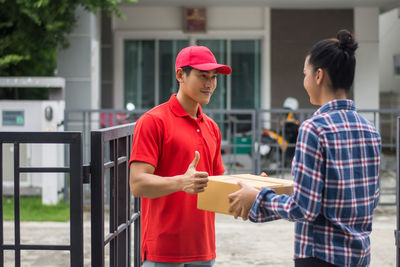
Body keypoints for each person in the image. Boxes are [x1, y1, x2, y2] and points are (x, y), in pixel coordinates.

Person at [228, 30, 381, 267]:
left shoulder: (314, 128)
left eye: (305, 73)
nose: (304, 80)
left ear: (318, 75)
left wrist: (258, 197)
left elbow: (304, 208)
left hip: (320, 256)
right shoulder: (370, 130)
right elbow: (369, 198)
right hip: (359, 255)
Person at [129, 45, 231, 267]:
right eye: (203, 76)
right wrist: (181, 182)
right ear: (180, 75)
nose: (210, 84)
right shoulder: (153, 121)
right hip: (163, 251)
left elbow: (218, 184)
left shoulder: (212, 127)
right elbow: (137, 184)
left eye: (213, 77)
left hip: (203, 250)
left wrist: (252, 187)